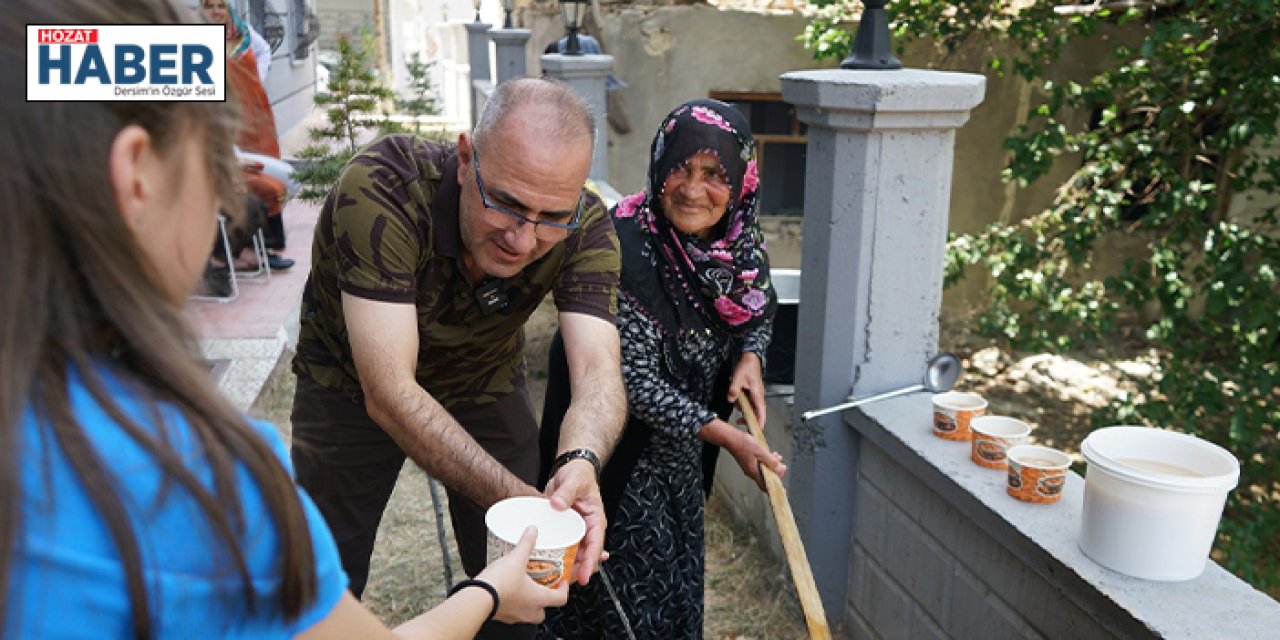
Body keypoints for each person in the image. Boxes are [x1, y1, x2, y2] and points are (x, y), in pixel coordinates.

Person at [0, 0, 567, 637]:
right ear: (137, 177)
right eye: (220, 157)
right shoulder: (191, 478)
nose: (228, 197)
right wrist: (489, 592)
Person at [288, 77, 628, 639]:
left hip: (482, 379)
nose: (523, 239)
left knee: (525, 581)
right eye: (508, 205)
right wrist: (521, 500)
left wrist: (583, 460)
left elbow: (597, 371)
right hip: (347, 383)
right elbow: (389, 391)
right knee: (322, 576)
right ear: (466, 158)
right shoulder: (384, 187)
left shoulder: (586, 225)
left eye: (551, 217)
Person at [537, 99, 787, 638]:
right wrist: (729, 437)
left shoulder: (740, 248)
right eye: (681, 168)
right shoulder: (620, 246)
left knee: (674, 593)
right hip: (614, 460)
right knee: (616, 603)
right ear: (658, 167)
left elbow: (758, 310)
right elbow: (636, 385)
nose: (694, 190)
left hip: (679, 463)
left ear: (740, 181)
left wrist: (751, 356)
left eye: (715, 174)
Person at [201, 0, 294, 271]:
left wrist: (256, 78)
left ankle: (269, 248)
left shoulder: (241, 32)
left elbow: (264, 50)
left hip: (254, 113)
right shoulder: (196, 40)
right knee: (257, 183)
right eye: (210, 6)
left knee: (269, 173)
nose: (217, 11)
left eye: (221, 5)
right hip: (226, 121)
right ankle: (251, 249)